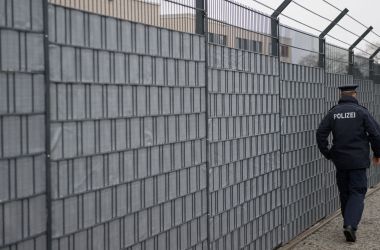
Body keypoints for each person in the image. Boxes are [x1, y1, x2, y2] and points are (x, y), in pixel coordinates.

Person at [316, 84, 380, 243]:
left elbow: (320, 134)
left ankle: (348, 223)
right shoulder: (361, 112)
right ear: (355, 94)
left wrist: (328, 153)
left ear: (341, 95)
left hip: (341, 160)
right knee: (357, 192)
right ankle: (350, 225)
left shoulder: (333, 113)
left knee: (345, 193)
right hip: (358, 160)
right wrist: (377, 153)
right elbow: (375, 134)